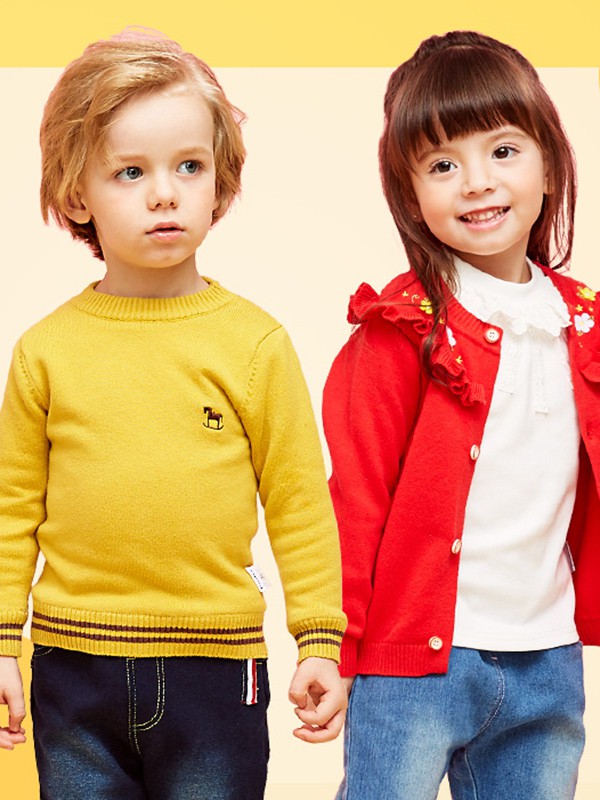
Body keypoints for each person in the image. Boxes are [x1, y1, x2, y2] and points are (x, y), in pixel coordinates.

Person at [0, 30, 347, 799]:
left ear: (220, 180)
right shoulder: (43, 352)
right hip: (72, 666)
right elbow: (11, 510)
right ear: (76, 194)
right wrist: (1, 643)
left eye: (189, 166)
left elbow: (299, 502)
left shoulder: (256, 345)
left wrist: (320, 639)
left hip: (216, 668)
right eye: (131, 171)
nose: (165, 193)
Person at [323, 30, 600, 800]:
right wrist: (337, 650)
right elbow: (355, 501)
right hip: (411, 665)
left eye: (503, 151)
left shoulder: (584, 325)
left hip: (547, 661)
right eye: (443, 166)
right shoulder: (402, 329)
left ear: (550, 163)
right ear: (409, 194)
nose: (477, 183)